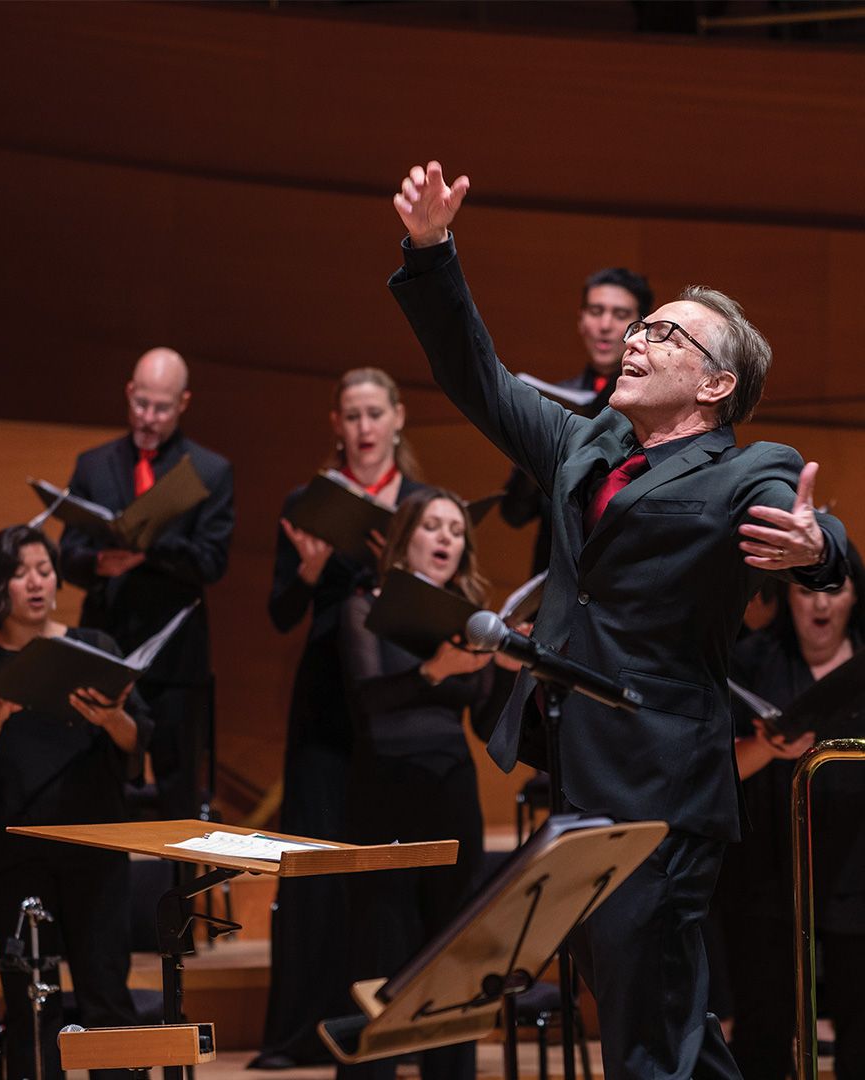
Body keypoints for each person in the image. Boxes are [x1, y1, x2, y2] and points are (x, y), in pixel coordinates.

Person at [387, 160, 848, 1080]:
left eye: (665, 333)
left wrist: (815, 544)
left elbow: (809, 521)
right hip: (585, 775)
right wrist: (433, 252)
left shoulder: (746, 466)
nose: (635, 338)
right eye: (641, 324)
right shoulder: (584, 443)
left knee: (648, 1034)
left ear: (715, 387)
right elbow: (476, 376)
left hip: (665, 787)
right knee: (662, 1021)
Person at [0, 524, 153, 1080]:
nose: (36, 583)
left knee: (107, 993)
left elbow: (139, 741)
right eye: (20, 572)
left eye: (44, 570)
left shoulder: (94, 648)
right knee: (34, 1003)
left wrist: (113, 719)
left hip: (95, 850)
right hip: (15, 856)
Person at [251, 367, 423, 1070]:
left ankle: (394, 1028)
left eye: (374, 413)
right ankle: (302, 1034)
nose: (363, 427)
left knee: (390, 867)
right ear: (336, 424)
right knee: (315, 865)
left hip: (394, 699)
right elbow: (280, 614)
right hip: (325, 703)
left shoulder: (418, 503)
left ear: (398, 418)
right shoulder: (307, 500)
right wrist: (314, 571)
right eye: (351, 415)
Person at [337, 487, 516, 1080]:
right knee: (378, 953)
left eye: (456, 530)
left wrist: (515, 672)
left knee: (450, 961)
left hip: (449, 791)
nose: (445, 538)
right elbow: (366, 702)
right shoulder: (366, 604)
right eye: (433, 526)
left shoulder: (472, 619)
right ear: (405, 536)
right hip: (384, 791)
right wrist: (435, 670)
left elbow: (485, 721)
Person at [59, 347, 232, 821]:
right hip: (105, 646)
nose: (148, 418)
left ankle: (180, 895)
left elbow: (213, 563)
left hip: (176, 657)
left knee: (177, 789)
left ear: (183, 404)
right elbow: (66, 557)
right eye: (141, 404)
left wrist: (151, 549)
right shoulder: (93, 465)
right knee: (98, 777)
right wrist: (98, 562)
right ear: (130, 393)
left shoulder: (209, 471)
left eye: (161, 408)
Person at [721, 546, 865, 1080]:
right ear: (788, 596)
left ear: (856, 596)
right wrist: (765, 748)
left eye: (835, 589)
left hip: (858, 871)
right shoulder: (752, 661)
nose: (821, 604)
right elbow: (714, 771)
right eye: (807, 590)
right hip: (768, 873)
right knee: (762, 1028)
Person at [499, 267, 653, 574]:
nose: (605, 325)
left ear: (641, 328)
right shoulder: (557, 400)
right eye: (596, 312)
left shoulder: (651, 408)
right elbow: (514, 514)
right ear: (581, 320)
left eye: (620, 314)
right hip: (553, 578)